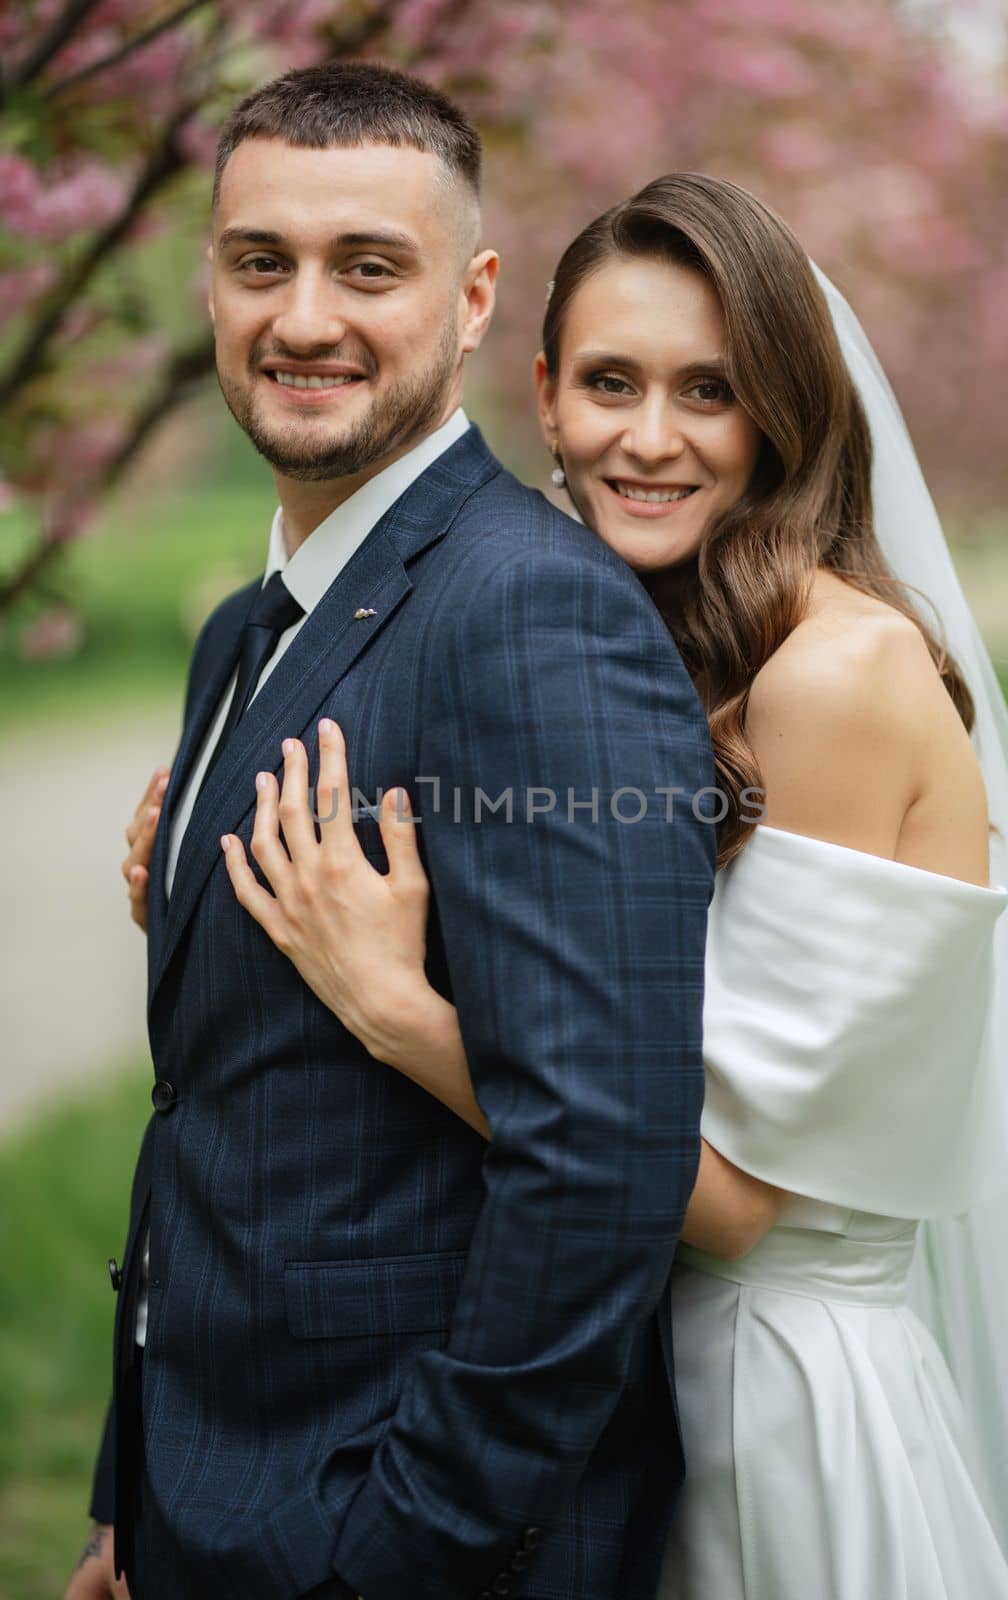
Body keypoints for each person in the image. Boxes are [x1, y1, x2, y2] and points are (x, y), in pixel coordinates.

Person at [126, 172, 1008, 1597]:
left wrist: (399, 1007)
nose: (648, 438)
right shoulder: (653, 649)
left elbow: (740, 1201)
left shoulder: (837, 674)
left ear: (789, 413)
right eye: (613, 382)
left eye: (711, 391)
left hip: (771, 1392)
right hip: (630, 1377)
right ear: (547, 395)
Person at [69, 66, 723, 1600]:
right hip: (206, 1488)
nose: (305, 318)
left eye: (370, 266)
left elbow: (602, 1166)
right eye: (260, 263)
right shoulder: (246, 624)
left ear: (477, 295)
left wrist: (395, 1548)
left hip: (386, 1531)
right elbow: (206, 1106)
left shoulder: (537, 615)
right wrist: (133, 1499)